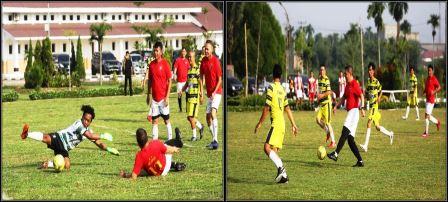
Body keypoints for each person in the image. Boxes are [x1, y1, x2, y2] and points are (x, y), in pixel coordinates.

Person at [20, 105, 119, 171]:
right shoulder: (78, 124)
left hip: (64, 148)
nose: (85, 122)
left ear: (90, 122)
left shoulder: (89, 130)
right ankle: (27, 134)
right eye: (84, 119)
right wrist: (103, 135)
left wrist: (109, 149)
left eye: (88, 120)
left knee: (67, 166)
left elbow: (98, 143)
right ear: (82, 117)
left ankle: (48, 164)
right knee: (46, 137)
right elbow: (90, 136)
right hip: (59, 138)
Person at [254, 64, 298, 184]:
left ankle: (282, 169)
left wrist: (260, 123)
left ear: (273, 75)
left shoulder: (271, 87)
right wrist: (293, 124)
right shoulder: (282, 90)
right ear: (281, 75)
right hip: (282, 124)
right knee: (274, 150)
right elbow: (287, 108)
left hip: (276, 123)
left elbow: (267, 107)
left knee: (266, 147)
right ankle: (284, 177)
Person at [327, 65, 366, 167]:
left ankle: (336, 153)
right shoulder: (348, 85)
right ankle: (360, 161)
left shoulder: (354, 84)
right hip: (351, 112)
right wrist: (336, 106)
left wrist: (362, 108)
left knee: (344, 130)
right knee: (350, 140)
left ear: (350, 74)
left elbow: (361, 96)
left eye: (346, 74)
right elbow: (344, 97)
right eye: (344, 74)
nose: (345, 76)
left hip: (354, 112)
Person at [119, 128, 186, 179]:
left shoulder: (139, 156)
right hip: (165, 166)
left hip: (156, 173)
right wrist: (174, 149)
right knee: (165, 144)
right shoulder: (155, 143)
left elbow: (134, 176)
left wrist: (125, 175)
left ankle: (175, 165)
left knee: (143, 167)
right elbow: (168, 151)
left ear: (137, 143)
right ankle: (179, 141)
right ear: (147, 138)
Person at [359, 63, 394, 152]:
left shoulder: (376, 81)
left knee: (368, 123)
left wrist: (379, 97)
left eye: (371, 70)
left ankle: (366, 146)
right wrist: (364, 103)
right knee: (377, 127)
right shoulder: (368, 82)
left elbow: (380, 90)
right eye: (369, 69)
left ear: (373, 71)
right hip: (371, 107)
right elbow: (366, 92)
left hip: (375, 106)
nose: (369, 71)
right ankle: (390, 134)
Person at [142, 41, 173, 140]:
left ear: (161, 51)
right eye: (154, 51)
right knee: (154, 121)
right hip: (154, 99)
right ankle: (155, 143)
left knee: (166, 120)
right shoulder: (151, 65)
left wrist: (167, 97)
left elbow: (170, 81)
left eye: (157, 51)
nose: (155, 53)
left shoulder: (165, 64)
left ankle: (170, 140)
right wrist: (148, 95)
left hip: (163, 98)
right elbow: (150, 81)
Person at [200, 40, 222, 150]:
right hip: (209, 94)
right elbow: (201, 76)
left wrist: (214, 91)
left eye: (208, 49)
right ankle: (214, 139)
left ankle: (215, 140)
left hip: (217, 93)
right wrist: (201, 91)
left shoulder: (216, 61)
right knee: (208, 118)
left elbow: (220, 79)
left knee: (213, 114)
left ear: (212, 50)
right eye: (205, 48)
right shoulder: (203, 61)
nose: (206, 50)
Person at [180, 50, 205, 141]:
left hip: (194, 98)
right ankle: (200, 126)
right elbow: (187, 83)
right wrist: (181, 90)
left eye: (191, 57)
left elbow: (201, 83)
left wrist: (201, 95)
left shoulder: (196, 69)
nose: (189, 58)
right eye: (188, 57)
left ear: (194, 58)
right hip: (189, 97)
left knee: (191, 117)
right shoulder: (189, 70)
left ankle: (194, 136)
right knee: (189, 117)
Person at [316, 65, 335, 148]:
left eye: (323, 70)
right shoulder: (319, 79)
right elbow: (319, 91)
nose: (322, 71)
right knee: (317, 119)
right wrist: (318, 97)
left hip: (327, 104)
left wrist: (321, 96)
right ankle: (327, 132)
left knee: (328, 123)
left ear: (325, 71)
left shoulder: (326, 80)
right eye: (320, 70)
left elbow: (329, 92)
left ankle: (333, 142)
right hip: (321, 104)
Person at [422, 65, 441, 137]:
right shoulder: (427, 78)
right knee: (427, 116)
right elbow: (426, 87)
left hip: (431, 100)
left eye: (430, 70)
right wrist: (424, 92)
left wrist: (434, 92)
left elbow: (439, 87)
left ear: (432, 71)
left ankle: (426, 133)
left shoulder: (434, 79)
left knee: (426, 116)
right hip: (427, 99)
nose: (429, 72)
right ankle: (437, 122)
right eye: (428, 70)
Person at [173, 47, 189, 112]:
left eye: (184, 51)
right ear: (181, 52)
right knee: (179, 95)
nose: (183, 53)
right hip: (179, 81)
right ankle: (180, 109)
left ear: (186, 53)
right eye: (182, 51)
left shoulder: (187, 61)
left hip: (186, 81)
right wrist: (174, 74)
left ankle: (187, 108)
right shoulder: (178, 60)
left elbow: (189, 70)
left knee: (187, 94)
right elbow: (175, 68)